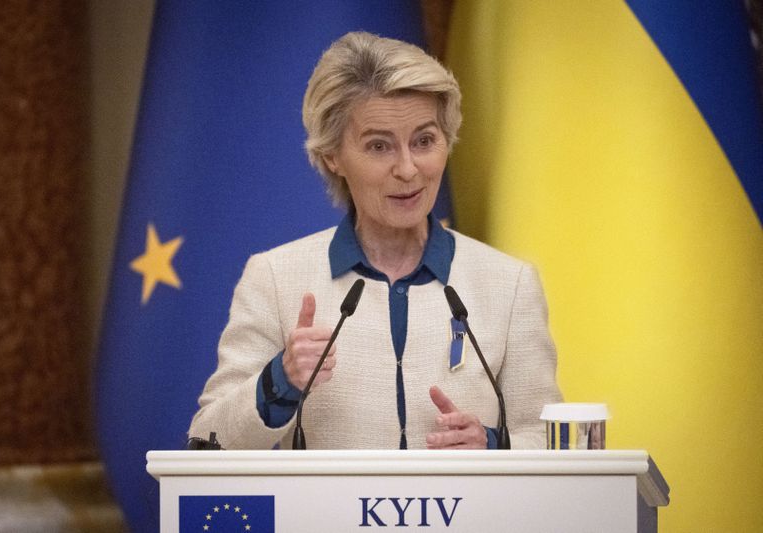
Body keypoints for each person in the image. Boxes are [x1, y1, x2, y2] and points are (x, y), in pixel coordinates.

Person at [188, 31, 561, 450]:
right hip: (324, 517)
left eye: (424, 141)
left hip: (468, 516)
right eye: (379, 146)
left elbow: (547, 439)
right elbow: (208, 440)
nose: (407, 169)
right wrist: (282, 379)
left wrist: (492, 445)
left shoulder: (509, 284)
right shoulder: (275, 278)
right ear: (332, 154)